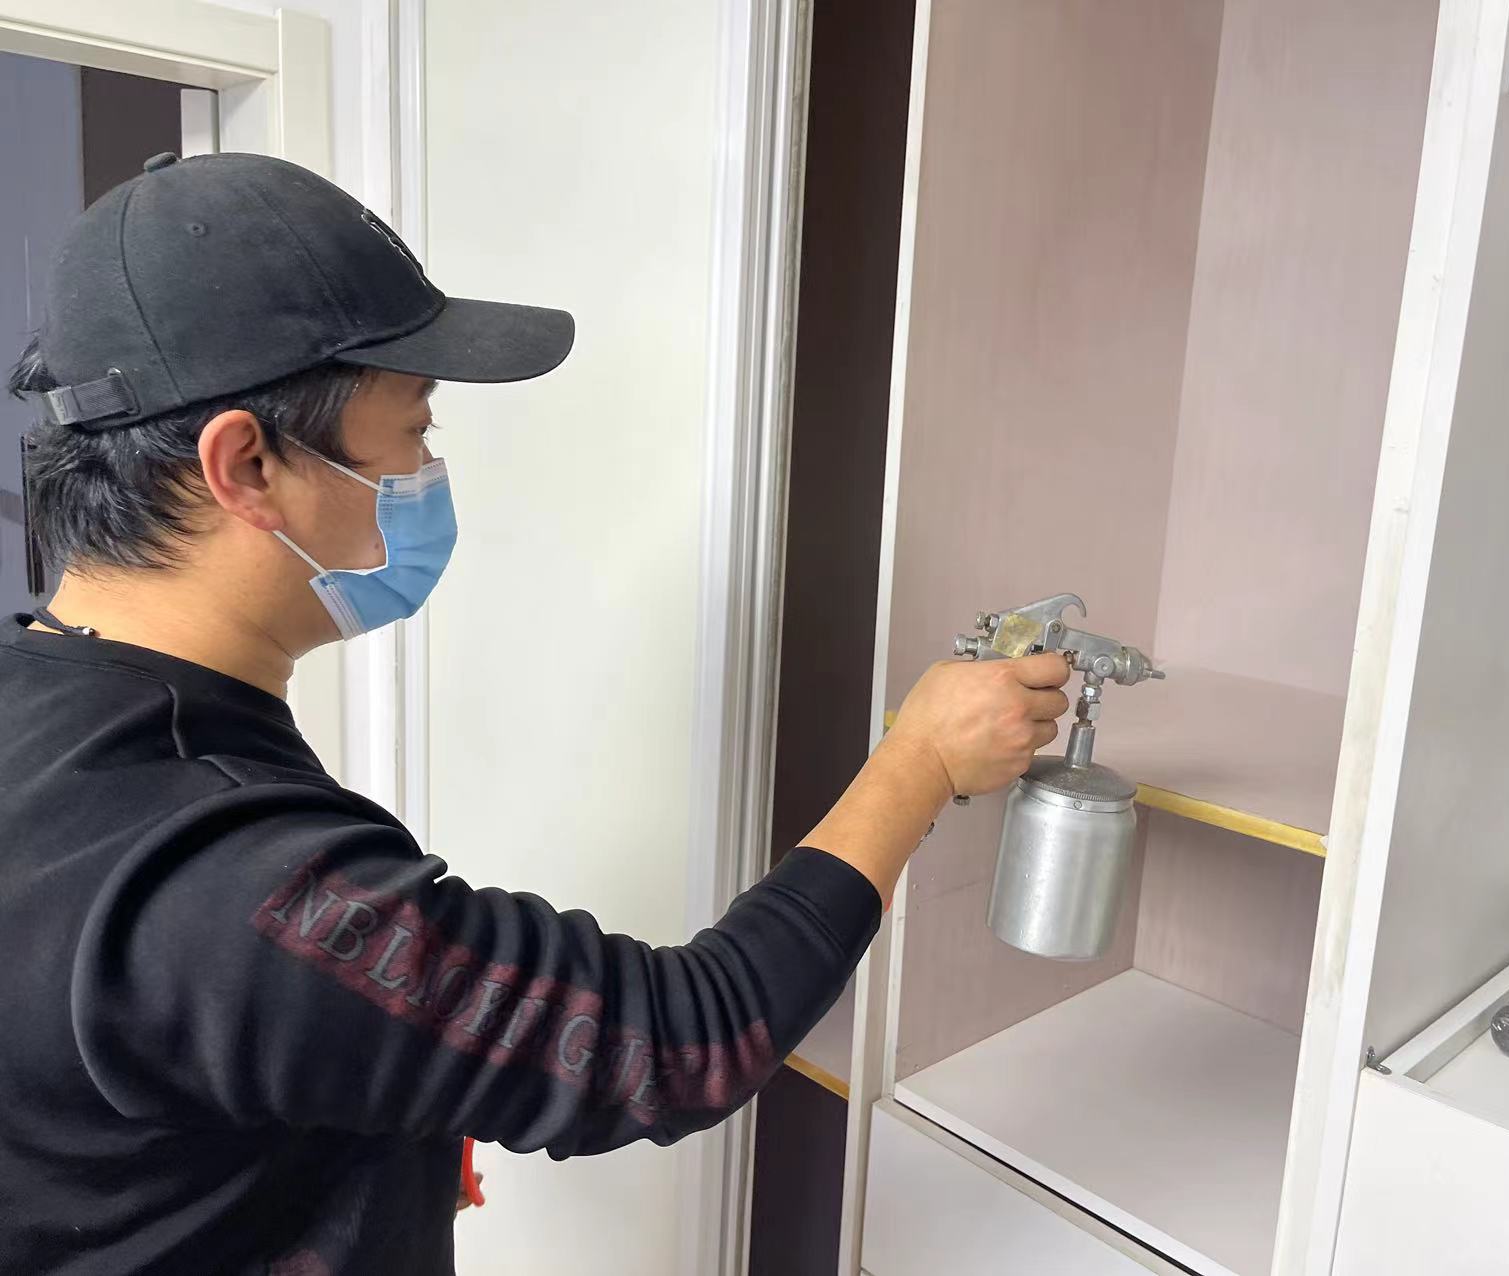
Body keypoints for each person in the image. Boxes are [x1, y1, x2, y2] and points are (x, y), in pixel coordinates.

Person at [0, 152, 1071, 1275]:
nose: (428, 472)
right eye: (415, 433)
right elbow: (683, 1041)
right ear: (248, 464)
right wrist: (920, 758)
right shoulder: (227, 880)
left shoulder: (52, 711)